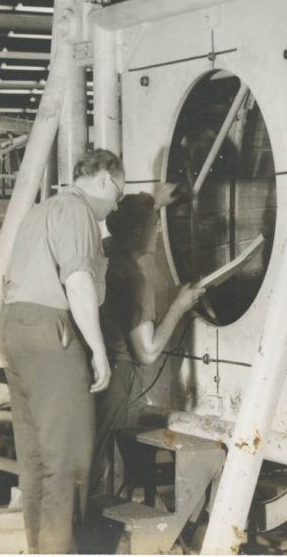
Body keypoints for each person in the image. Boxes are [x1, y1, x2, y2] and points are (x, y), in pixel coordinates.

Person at [0, 148, 124, 554]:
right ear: (106, 179)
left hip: (14, 327)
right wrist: (97, 350)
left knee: (36, 457)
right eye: (119, 194)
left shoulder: (41, 210)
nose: (116, 205)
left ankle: (40, 549)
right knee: (68, 457)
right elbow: (79, 282)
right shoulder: (77, 211)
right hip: (50, 330)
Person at [91, 193, 203, 494]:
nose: (160, 231)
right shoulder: (136, 281)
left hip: (92, 372)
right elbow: (147, 352)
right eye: (156, 225)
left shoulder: (106, 252)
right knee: (103, 466)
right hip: (118, 380)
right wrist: (179, 307)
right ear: (139, 232)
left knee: (91, 457)